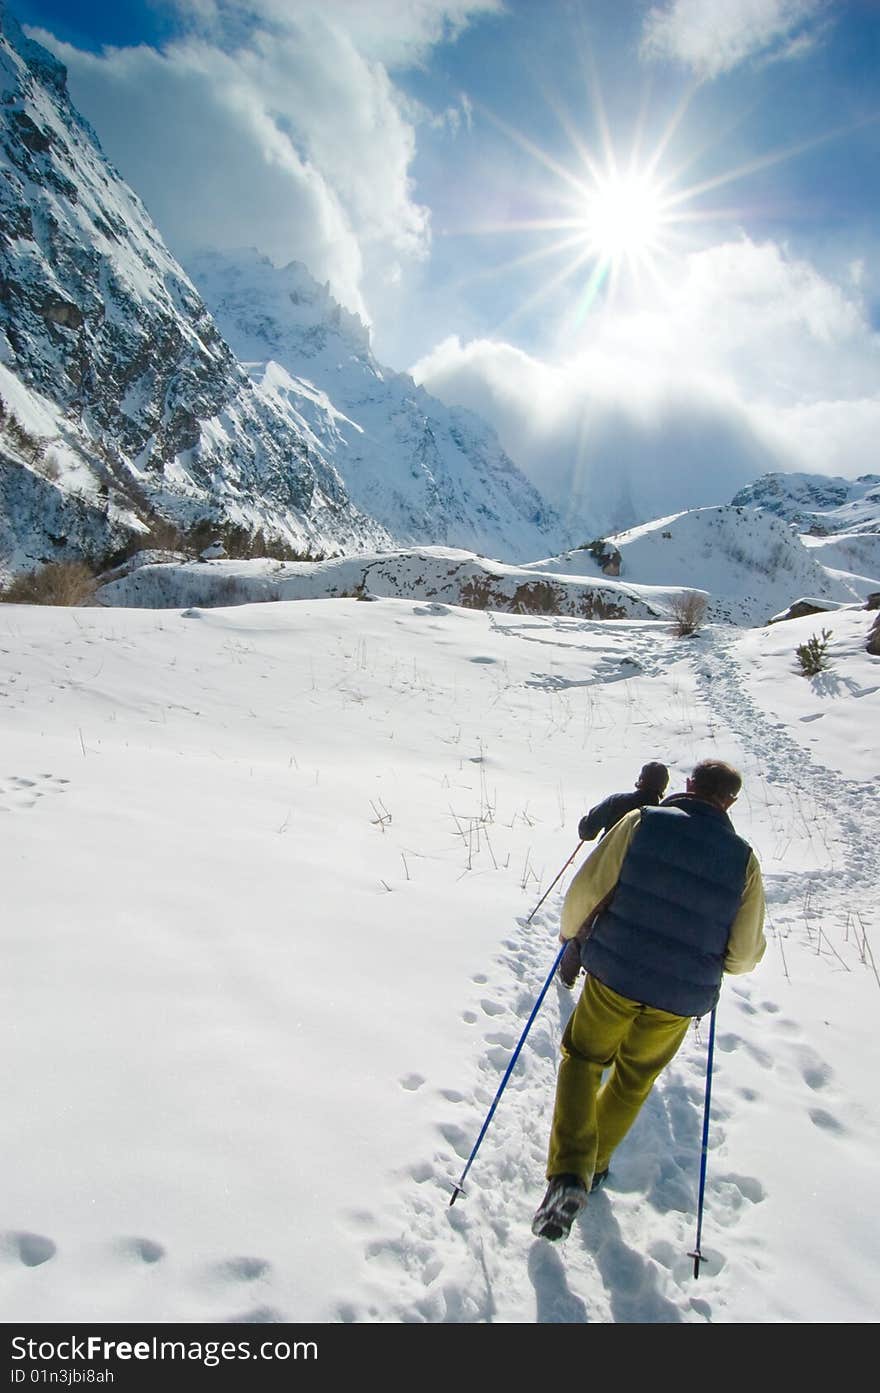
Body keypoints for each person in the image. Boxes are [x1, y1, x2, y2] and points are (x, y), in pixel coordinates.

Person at [532, 759, 765, 1242]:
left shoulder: (642, 823)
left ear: (689, 787)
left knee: (583, 1058)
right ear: (730, 802)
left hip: (616, 972)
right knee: (635, 1076)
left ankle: (569, 1173)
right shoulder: (744, 860)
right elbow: (743, 955)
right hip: (680, 996)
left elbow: (589, 888)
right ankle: (593, 1169)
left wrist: (569, 934)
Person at [558, 762, 670, 989]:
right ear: (663, 787)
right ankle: (604, 977)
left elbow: (587, 832)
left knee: (587, 923)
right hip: (641, 884)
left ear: (640, 779)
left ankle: (568, 973)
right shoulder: (666, 816)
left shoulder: (617, 801)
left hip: (606, 873)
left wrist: (586, 823)